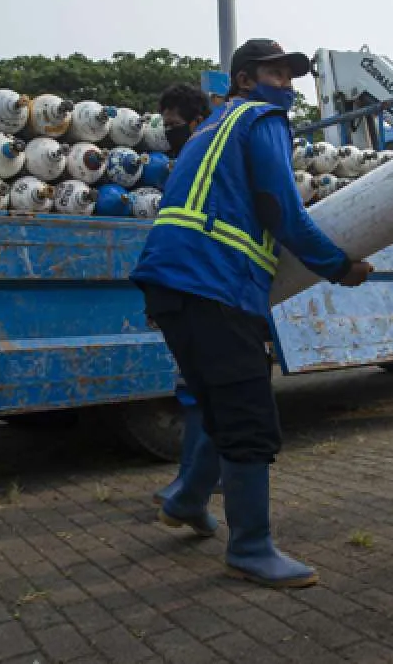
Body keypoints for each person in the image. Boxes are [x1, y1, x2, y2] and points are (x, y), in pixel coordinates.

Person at [131, 38, 374, 589]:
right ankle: (251, 546)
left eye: (292, 78)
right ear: (244, 80)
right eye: (276, 74)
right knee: (247, 413)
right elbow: (281, 208)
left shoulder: (211, 127)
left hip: (174, 280)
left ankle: (188, 499)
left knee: (217, 402)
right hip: (213, 280)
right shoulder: (261, 119)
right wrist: (336, 265)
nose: (286, 86)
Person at [150, 83, 214, 506]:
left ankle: (196, 484)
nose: (169, 133)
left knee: (205, 392)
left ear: (196, 121)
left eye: (175, 125)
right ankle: (195, 479)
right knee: (193, 391)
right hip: (184, 288)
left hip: (207, 290)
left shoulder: (208, 160)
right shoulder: (182, 165)